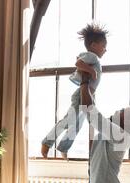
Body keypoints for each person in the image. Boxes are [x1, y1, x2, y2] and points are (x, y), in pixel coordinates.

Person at [41, 23, 108, 160]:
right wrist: (91, 71)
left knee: (77, 125)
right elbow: (78, 63)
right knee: (69, 120)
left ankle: (63, 147)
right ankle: (47, 143)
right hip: (81, 96)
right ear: (94, 45)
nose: (105, 50)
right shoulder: (92, 56)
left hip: (88, 96)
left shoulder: (93, 58)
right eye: (103, 46)